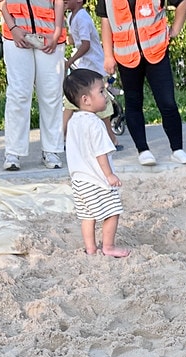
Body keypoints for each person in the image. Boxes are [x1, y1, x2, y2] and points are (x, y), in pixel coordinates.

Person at [96, 0, 186, 166]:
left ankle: (177, 149)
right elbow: (106, 22)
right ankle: (143, 150)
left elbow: (182, 2)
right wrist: (108, 55)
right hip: (126, 55)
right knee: (133, 103)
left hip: (157, 51)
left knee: (167, 102)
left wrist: (176, 28)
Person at [0, 0, 66, 171]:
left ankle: (52, 150)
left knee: (52, 93)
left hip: (49, 34)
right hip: (16, 34)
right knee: (19, 94)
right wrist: (13, 28)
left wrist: (57, 32)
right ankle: (13, 152)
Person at [63, 68, 128, 258]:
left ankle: (90, 248)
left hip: (79, 180)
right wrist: (109, 175)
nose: (105, 95)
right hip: (97, 180)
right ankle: (108, 246)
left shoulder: (74, 121)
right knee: (113, 212)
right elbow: (101, 154)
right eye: (101, 91)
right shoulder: (95, 123)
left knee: (87, 216)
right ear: (86, 100)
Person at [62, 0, 121, 150]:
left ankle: (111, 139)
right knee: (71, 102)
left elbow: (85, 44)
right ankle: (62, 137)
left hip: (92, 67)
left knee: (101, 106)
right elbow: (74, 39)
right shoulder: (71, 17)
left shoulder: (82, 17)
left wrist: (69, 62)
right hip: (83, 66)